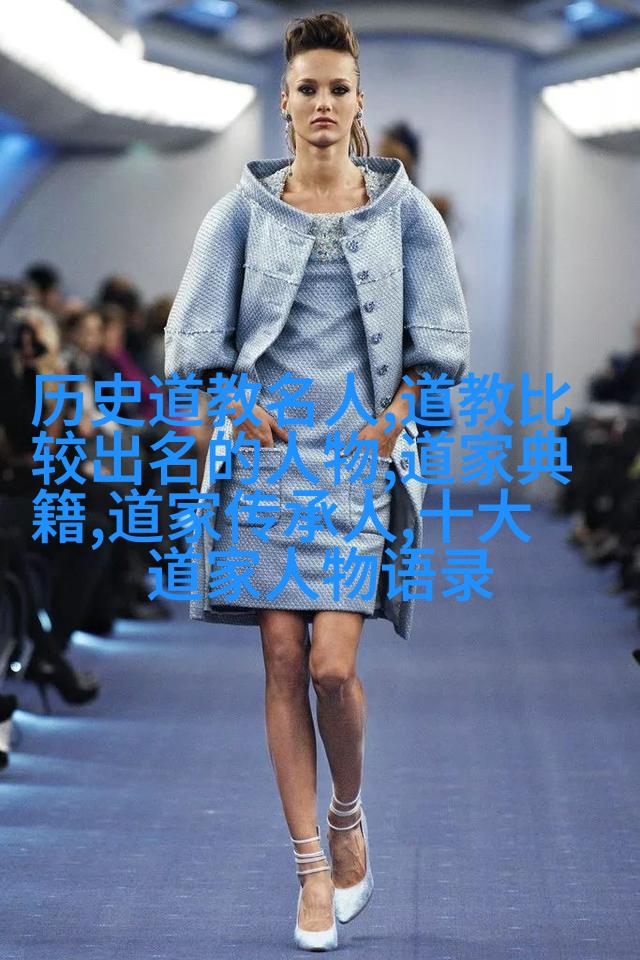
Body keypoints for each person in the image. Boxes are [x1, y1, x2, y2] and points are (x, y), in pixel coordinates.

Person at [164, 10, 470, 951]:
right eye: (308, 89)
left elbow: (443, 343)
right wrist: (231, 397)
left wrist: (402, 413)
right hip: (265, 463)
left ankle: (348, 815)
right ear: (285, 103)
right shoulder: (238, 213)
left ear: (358, 99)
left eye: (339, 88)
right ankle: (309, 871)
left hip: (355, 461)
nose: (324, 103)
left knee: (334, 667)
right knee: (282, 659)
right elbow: (191, 341)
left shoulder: (407, 213)